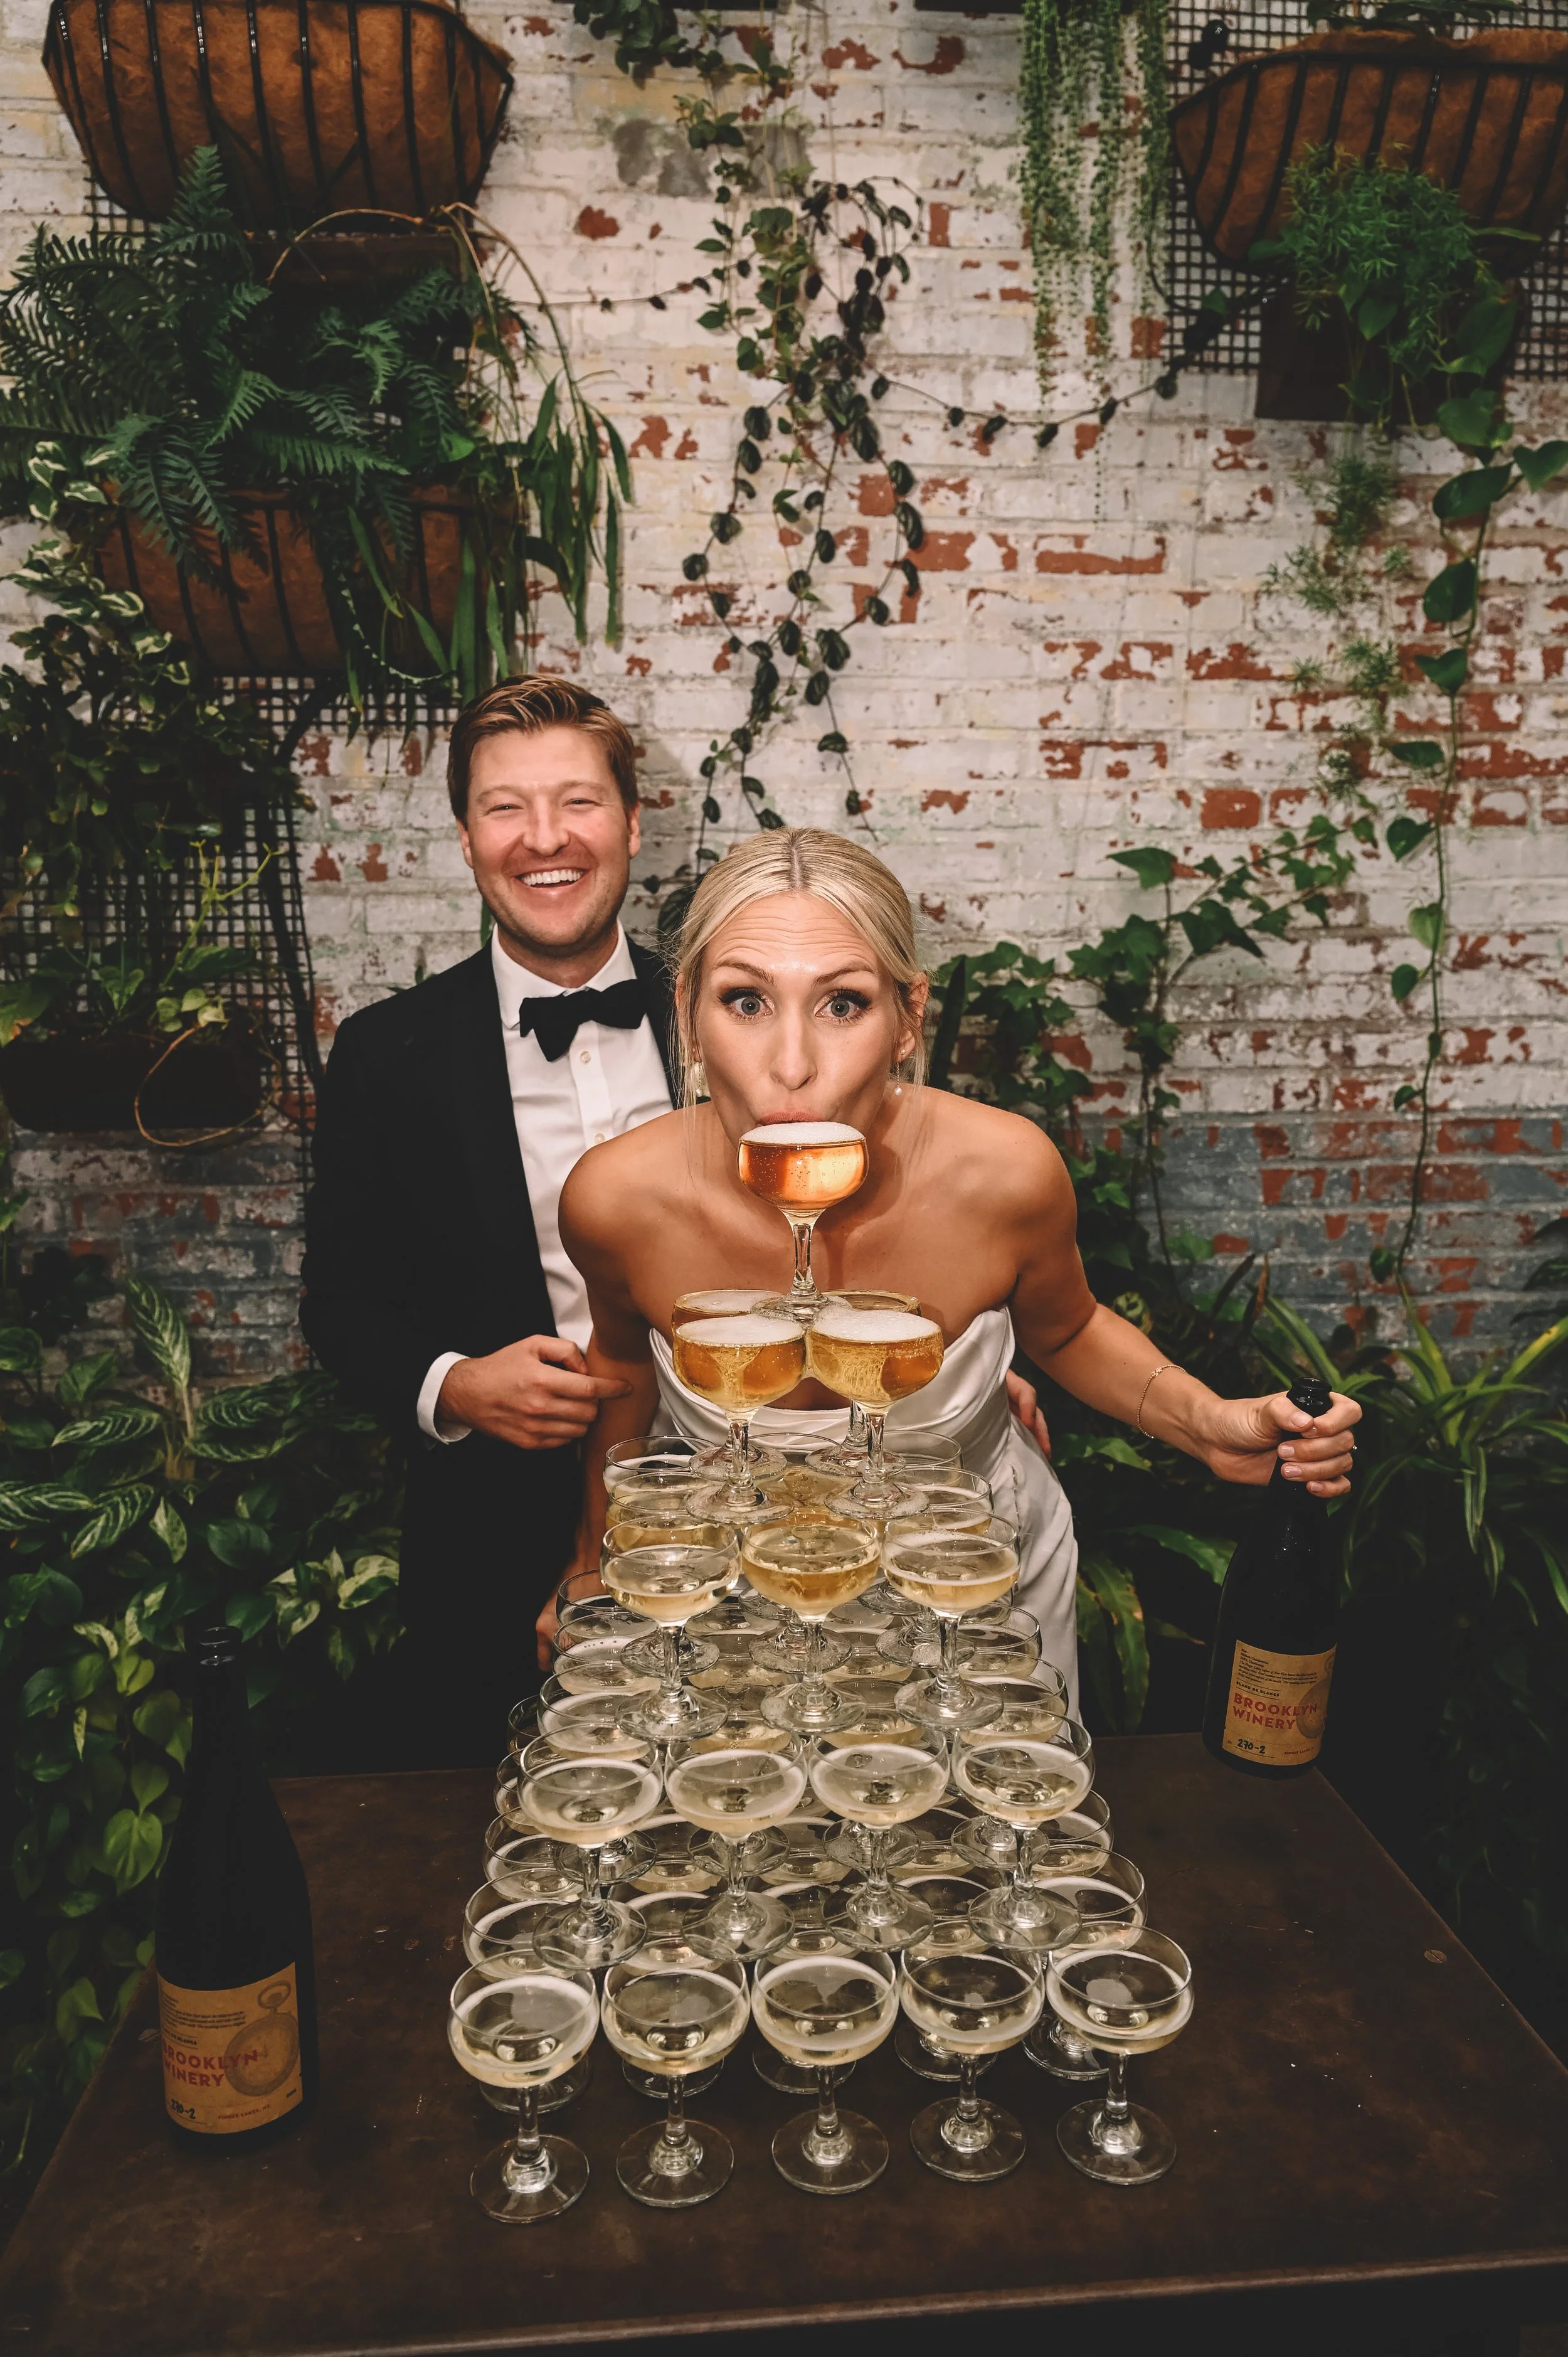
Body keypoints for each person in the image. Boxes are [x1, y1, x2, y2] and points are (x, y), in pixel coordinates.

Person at [554, 828, 1361, 1696]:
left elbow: (1073, 1327)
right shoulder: (616, 1199)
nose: (791, 1066)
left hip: (973, 1585)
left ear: (909, 1019)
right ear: (688, 1017)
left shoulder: (1004, 1173)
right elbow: (624, 1366)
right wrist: (593, 1561)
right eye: (746, 1002)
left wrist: (1211, 1426)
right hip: (733, 1597)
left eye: (844, 1005)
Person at [300, 678, 675, 1765]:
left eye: (579, 803)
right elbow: (341, 1304)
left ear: (633, 823)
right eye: (506, 808)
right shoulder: (385, 1055)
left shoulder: (725, 1012)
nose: (543, 839)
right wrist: (453, 1383)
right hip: (492, 1543)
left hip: (732, 1493)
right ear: (468, 839)